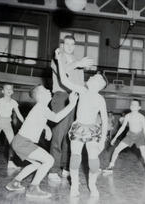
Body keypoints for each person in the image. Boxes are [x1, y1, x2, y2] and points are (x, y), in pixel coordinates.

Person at [5, 85, 78, 199]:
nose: (49, 90)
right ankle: (33, 188)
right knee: (49, 160)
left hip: (20, 141)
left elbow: (36, 120)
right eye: (45, 90)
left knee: (37, 164)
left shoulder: (41, 107)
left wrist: (46, 127)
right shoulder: (41, 107)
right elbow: (56, 118)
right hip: (23, 142)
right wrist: (72, 104)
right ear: (40, 96)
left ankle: (14, 183)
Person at [54, 48, 108, 197]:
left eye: (94, 78)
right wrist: (59, 60)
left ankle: (92, 184)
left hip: (92, 131)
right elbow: (64, 80)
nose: (90, 78)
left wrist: (102, 141)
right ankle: (75, 186)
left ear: (99, 85)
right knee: (75, 158)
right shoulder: (82, 90)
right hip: (78, 128)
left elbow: (104, 120)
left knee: (93, 161)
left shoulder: (100, 99)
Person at [48, 35, 93, 182]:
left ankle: (66, 167)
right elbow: (63, 74)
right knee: (58, 134)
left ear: (74, 46)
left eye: (72, 44)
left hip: (75, 97)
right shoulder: (57, 58)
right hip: (61, 97)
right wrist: (78, 63)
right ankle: (53, 170)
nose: (69, 46)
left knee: (70, 135)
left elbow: (80, 82)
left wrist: (86, 94)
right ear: (63, 44)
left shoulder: (77, 62)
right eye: (66, 43)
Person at [103, 99, 145, 178]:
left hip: (140, 136)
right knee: (116, 149)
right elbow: (122, 128)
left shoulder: (141, 117)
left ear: (139, 107)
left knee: (144, 154)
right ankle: (110, 167)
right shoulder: (128, 116)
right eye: (132, 104)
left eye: (135, 105)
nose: (133, 106)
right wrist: (115, 138)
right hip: (130, 135)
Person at [0, 84, 24, 170]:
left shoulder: (14, 102)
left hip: (7, 123)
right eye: (6, 89)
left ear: (12, 91)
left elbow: (19, 114)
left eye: (10, 89)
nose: (9, 90)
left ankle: (10, 162)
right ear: (3, 91)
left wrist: (25, 123)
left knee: (13, 143)